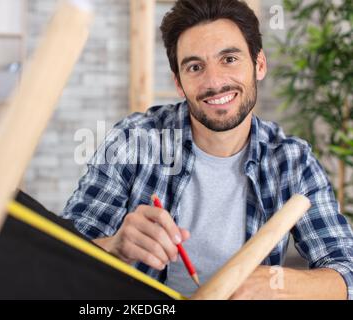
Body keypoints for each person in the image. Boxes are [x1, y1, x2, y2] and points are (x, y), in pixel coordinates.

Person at [62, 0, 353, 299]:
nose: (214, 82)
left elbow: (347, 270)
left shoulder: (292, 161)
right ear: (178, 82)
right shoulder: (133, 141)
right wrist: (115, 247)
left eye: (229, 59)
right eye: (195, 67)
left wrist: (278, 282)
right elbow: (60, 256)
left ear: (259, 65)